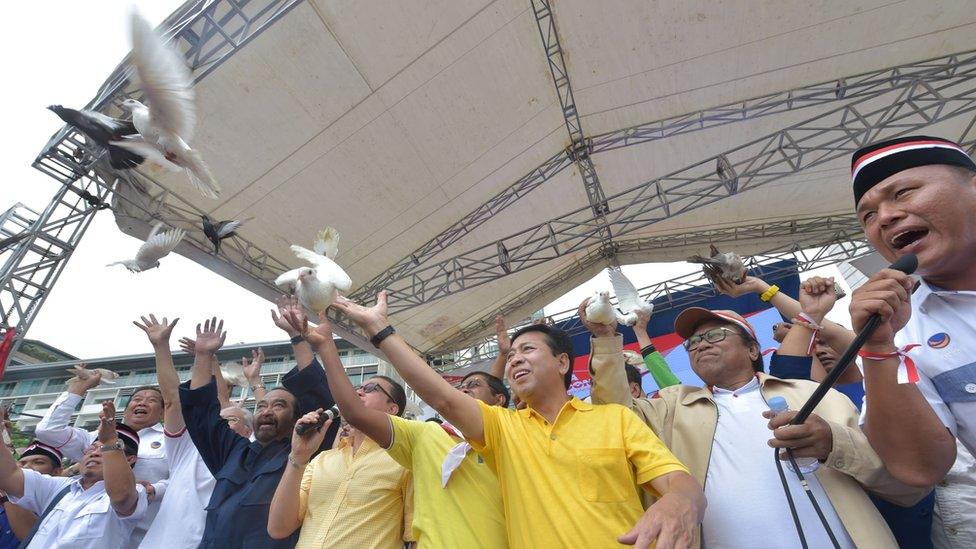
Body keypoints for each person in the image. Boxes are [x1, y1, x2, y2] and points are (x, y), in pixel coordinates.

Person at [333, 292, 704, 549]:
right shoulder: (502, 428)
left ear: (562, 363)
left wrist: (679, 502)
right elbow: (441, 396)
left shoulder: (615, 419)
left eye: (528, 350)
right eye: (511, 356)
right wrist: (380, 331)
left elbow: (678, 482)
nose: (515, 360)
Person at [587, 296, 928, 548]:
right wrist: (605, 339)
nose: (700, 345)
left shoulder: (813, 393)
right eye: (692, 342)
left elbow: (902, 485)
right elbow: (613, 413)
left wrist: (832, 443)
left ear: (752, 349)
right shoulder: (672, 407)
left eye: (715, 335)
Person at [285, 308, 507, 548]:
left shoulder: (514, 433)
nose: (463, 391)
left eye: (472, 385)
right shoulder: (427, 435)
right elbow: (354, 411)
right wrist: (326, 345)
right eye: (459, 388)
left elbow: (481, 407)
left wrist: (503, 359)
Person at [847, 135, 976, 487]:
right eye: (868, 216)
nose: (885, 218)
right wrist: (876, 349)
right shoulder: (901, 333)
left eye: (902, 193)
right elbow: (918, 468)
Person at [179, 301, 339, 549]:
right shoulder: (233, 452)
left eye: (278, 406)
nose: (266, 411)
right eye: (262, 406)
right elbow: (201, 413)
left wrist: (297, 336)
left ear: (298, 418)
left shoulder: (308, 452)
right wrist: (203, 356)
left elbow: (316, 392)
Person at [268, 310, 413, 548]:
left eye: (371, 388)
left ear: (393, 409)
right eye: (357, 387)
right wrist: (298, 457)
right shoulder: (322, 460)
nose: (358, 391)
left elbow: (414, 536)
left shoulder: (404, 460)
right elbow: (278, 528)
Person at [34, 363, 168, 548]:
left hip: (145, 537)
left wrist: (155, 489)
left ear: (163, 412)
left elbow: (183, 480)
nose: (142, 402)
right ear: (127, 407)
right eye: (136, 399)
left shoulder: (170, 440)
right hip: (87, 535)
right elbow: (48, 431)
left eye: (152, 400)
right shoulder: (95, 437)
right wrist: (77, 389)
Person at [0, 402, 148, 548]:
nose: (95, 453)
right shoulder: (60, 487)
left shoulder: (136, 492)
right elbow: (9, 475)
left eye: (105, 449)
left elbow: (121, 496)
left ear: (129, 459)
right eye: (92, 448)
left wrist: (111, 441)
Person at [133, 314, 217, 548]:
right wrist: (161, 346)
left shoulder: (249, 454)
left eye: (237, 418)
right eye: (224, 417)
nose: (227, 419)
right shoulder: (187, 448)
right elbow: (172, 401)